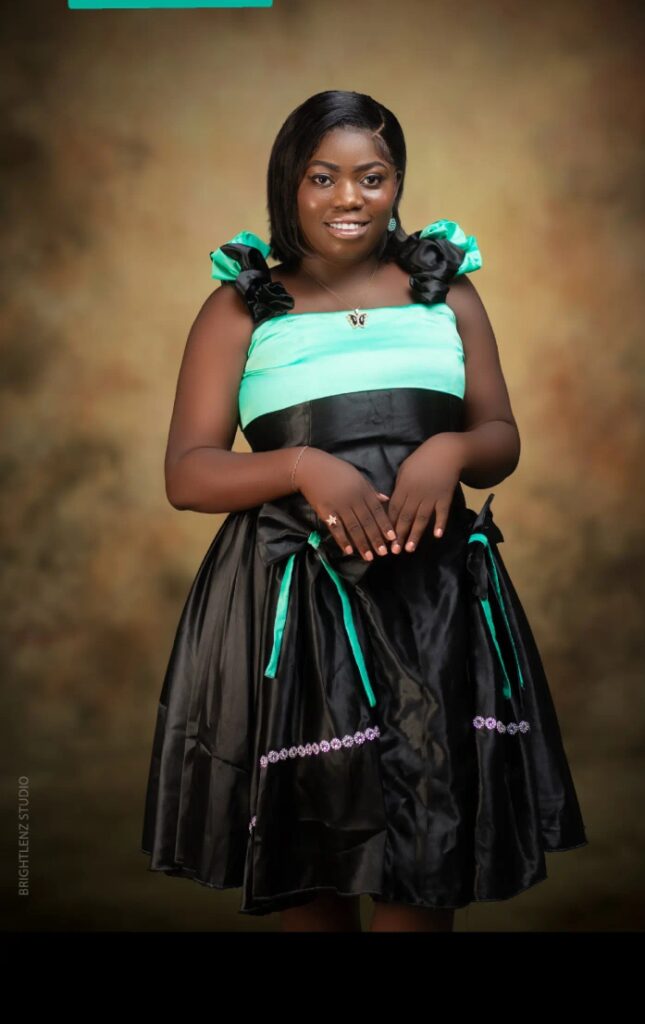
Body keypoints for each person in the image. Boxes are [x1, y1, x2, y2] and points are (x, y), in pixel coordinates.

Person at [141, 89, 588, 933]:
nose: (349, 198)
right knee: (313, 858)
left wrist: (450, 450)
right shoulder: (242, 307)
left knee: (425, 861)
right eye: (323, 177)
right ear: (289, 183)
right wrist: (301, 465)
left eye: (371, 177)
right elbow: (188, 474)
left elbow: (499, 437)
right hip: (297, 613)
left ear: (397, 183)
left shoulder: (445, 294)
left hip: (434, 606)